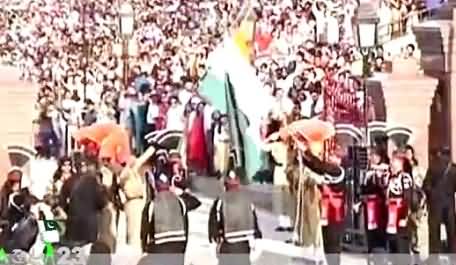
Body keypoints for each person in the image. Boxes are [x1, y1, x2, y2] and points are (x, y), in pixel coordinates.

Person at [208, 170, 262, 265]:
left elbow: (214, 221)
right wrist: (257, 237)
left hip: (227, 245)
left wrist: (214, 237)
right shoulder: (246, 199)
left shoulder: (221, 200)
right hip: (244, 245)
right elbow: (254, 220)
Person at [141, 173, 188, 265]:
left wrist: (144, 248)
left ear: (156, 187)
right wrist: (183, 247)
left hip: (159, 246)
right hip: (178, 245)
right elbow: (185, 225)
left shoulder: (152, 204)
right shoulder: (180, 202)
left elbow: (145, 228)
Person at [423, 147, 456, 257]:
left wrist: (431, 194)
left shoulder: (433, 167)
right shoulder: (453, 168)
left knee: (434, 233)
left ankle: (434, 257)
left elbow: (425, 186)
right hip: (449, 204)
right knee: (452, 233)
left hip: (435, 204)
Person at [358, 147, 388, 263]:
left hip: (379, 207)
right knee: (369, 230)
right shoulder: (367, 171)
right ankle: (371, 252)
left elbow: (383, 188)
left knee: (379, 230)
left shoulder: (384, 170)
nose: (370, 158)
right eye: (370, 155)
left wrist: (377, 173)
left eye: (373, 155)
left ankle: (380, 254)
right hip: (368, 205)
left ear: (379, 157)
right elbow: (363, 189)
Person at [65, 162, 108, 245]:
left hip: (73, 224)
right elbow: (101, 202)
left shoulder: (75, 182)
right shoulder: (93, 183)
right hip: (88, 227)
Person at [385, 152, 413, 265]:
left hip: (400, 215)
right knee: (393, 246)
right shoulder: (391, 177)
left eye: (394, 161)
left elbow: (407, 197)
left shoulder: (405, 177)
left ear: (400, 163)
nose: (391, 164)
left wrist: (404, 216)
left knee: (401, 247)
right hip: (391, 217)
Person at [320, 148, 346, 265]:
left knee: (333, 245)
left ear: (339, 159)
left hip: (335, 213)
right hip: (325, 211)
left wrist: (307, 153)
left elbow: (319, 166)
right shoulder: (329, 171)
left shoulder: (338, 171)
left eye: (332, 156)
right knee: (326, 244)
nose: (329, 158)